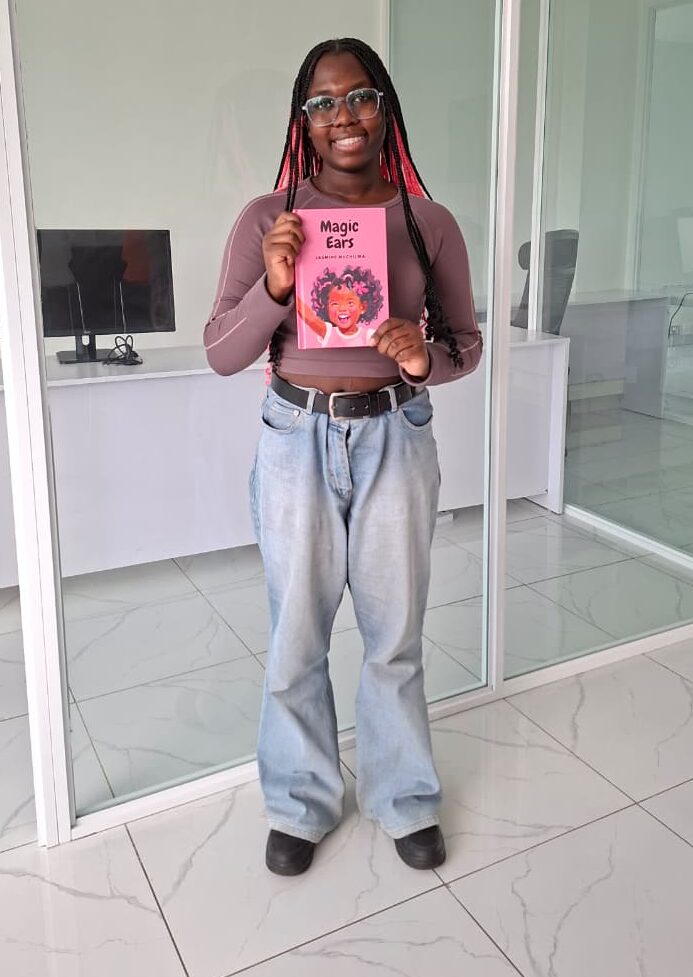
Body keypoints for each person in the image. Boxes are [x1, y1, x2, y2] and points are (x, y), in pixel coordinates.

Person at [203, 37, 482, 876]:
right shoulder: (268, 218)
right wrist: (276, 287)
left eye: (358, 97)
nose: (342, 117)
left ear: (384, 105)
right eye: (321, 104)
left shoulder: (426, 222)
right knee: (297, 637)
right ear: (303, 122)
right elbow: (221, 350)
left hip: (396, 434)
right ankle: (302, 800)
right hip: (296, 438)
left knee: (393, 634)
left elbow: (465, 343)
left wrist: (419, 356)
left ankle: (403, 797)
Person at [296, 266, 384, 346]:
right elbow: (310, 318)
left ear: (363, 307)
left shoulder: (369, 335)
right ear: (326, 307)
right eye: (335, 304)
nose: (342, 309)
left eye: (350, 303)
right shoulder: (328, 333)